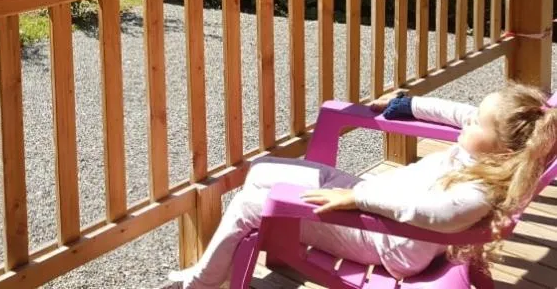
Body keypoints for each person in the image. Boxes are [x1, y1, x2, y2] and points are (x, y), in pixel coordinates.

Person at [166, 83, 557, 288]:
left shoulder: (478, 190)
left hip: (380, 238)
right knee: (263, 171)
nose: (467, 121)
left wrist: (356, 196)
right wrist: (407, 104)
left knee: (254, 202)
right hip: (373, 203)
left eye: (476, 124)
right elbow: (460, 113)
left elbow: (429, 213)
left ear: (502, 150)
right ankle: (213, 269)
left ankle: (202, 282)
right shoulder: (494, 159)